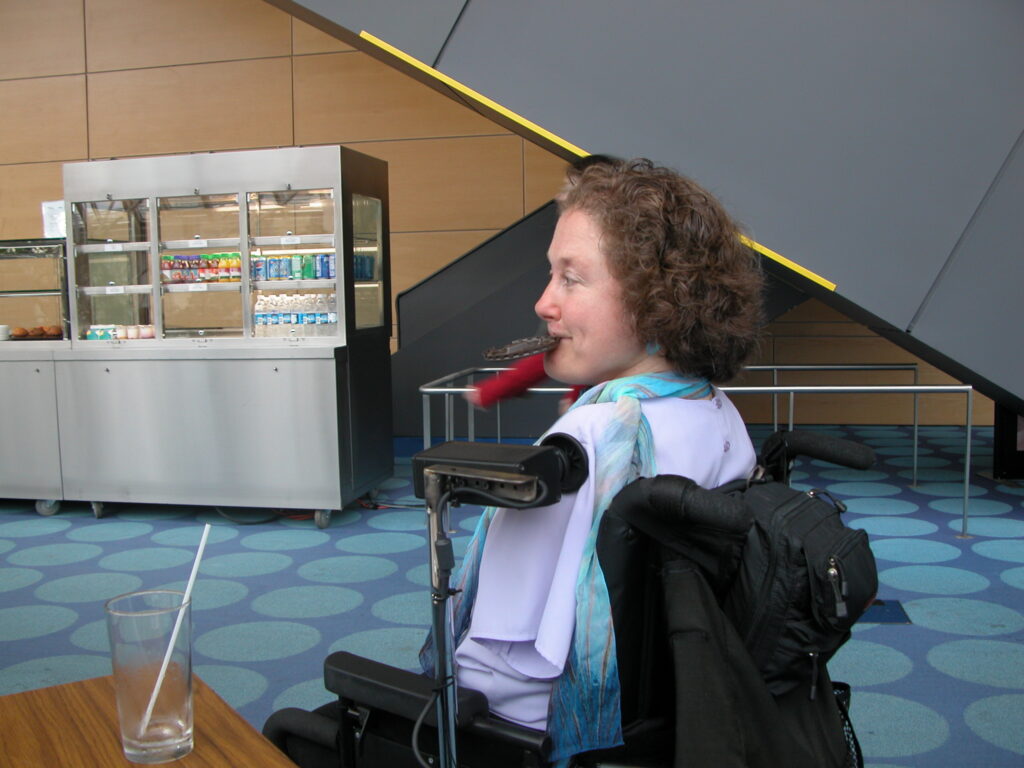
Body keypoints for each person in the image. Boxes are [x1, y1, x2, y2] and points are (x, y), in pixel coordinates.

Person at [422, 157, 764, 763]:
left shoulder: (591, 439)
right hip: (670, 717)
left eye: (570, 279)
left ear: (655, 302)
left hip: (542, 738)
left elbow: (497, 664)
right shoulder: (720, 415)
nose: (543, 303)